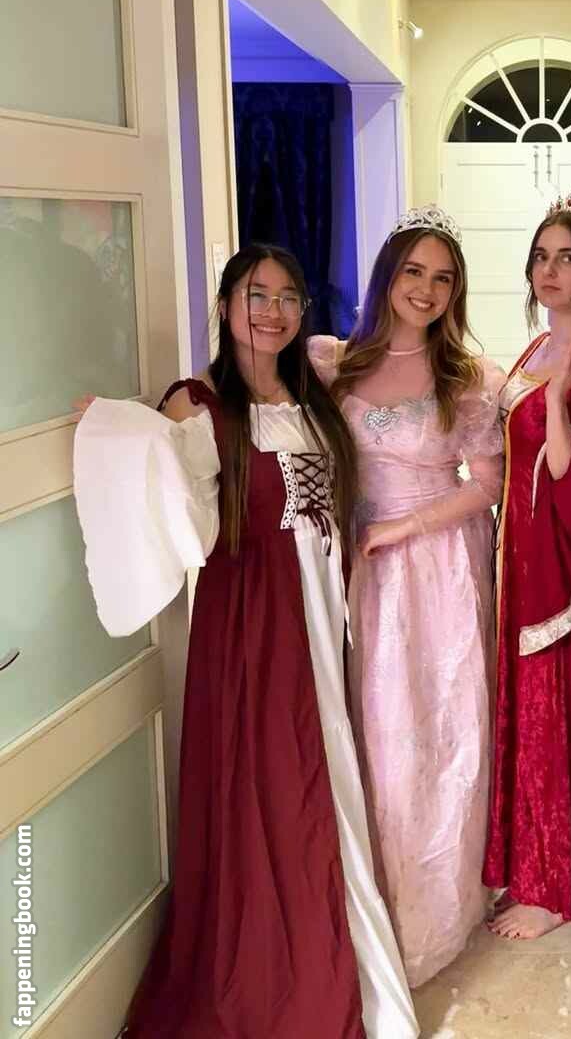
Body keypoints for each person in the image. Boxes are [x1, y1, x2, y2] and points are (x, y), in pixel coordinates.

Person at [73, 244, 418, 1038]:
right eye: (256, 295)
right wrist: (113, 431)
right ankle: (276, 968)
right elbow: (168, 501)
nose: (273, 311)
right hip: (252, 621)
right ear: (227, 303)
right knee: (266, 780)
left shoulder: (312, 396)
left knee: (323, 769)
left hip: (320, 615)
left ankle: (338, 952)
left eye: (288, 297)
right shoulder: (199, 404)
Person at [308, 205, 504, 988]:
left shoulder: (470, 378)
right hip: (364, 566)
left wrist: (404, 528)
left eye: (443, 278)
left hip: (441, 566)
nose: (426, 289)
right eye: (414, 272)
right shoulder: (334, 363)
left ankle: (441, 910)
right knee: (382, 730)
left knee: (444, 724)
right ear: (388, 276)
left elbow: (486, 485)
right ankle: (380, 901)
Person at [484, 193, 571, 941]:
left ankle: (559, 887)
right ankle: (529, 865)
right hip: (519, 548)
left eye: (566, 258)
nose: (550, 270)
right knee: (525, 708)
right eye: (541, 256)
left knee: (556, 712)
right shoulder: (537, 346)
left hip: (563, 562)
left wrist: (563, 400)